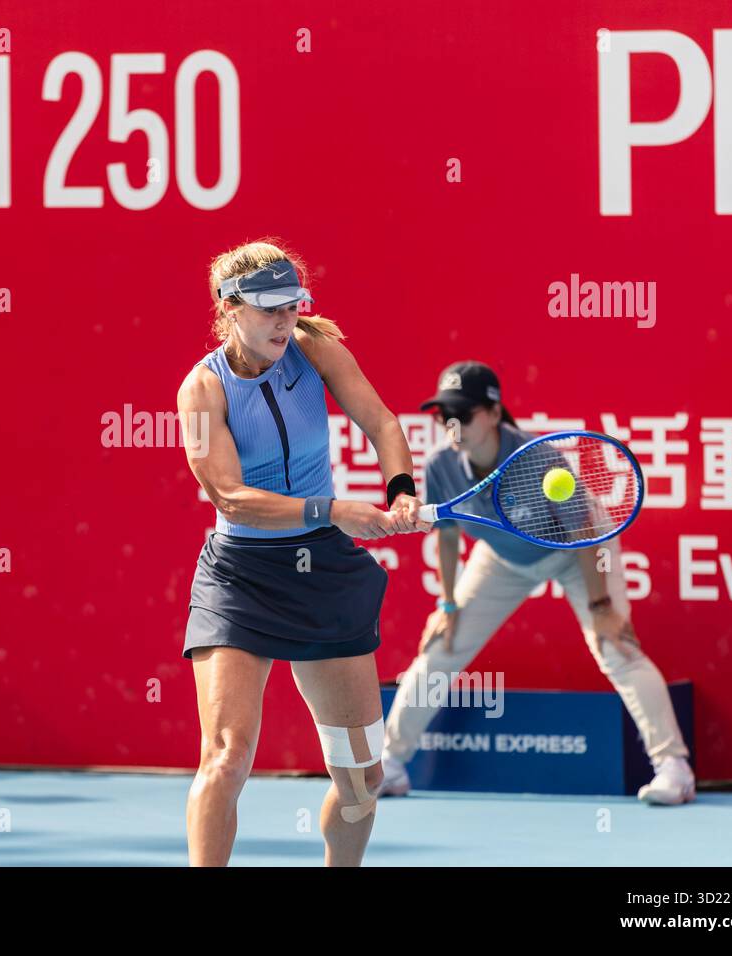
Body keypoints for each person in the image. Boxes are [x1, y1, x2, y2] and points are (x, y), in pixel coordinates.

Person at [177, 239, 431, 866]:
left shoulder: (315, 349)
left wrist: (399, 489)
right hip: (241, 576)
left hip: (323, 571)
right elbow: (232, 497)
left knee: (361, 779)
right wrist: (337, 511)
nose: (284, 320)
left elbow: (381, 422)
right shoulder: (201, 392)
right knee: (228, 754)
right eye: (268, 309)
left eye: (292, 306)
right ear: (230, 308)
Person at [378, 361, 695, 804]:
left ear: (492, 412)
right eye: (442, 416)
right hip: (503, 556)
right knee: (439, 649)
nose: (451, 426)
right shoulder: (441, 467)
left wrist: (602, 607)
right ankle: (390, 766)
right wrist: (447, 605)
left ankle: (674, 768)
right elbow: (448, 537)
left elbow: (585, 532)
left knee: (615, 647)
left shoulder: (539, 458)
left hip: (575, 550)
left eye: (462, 414)